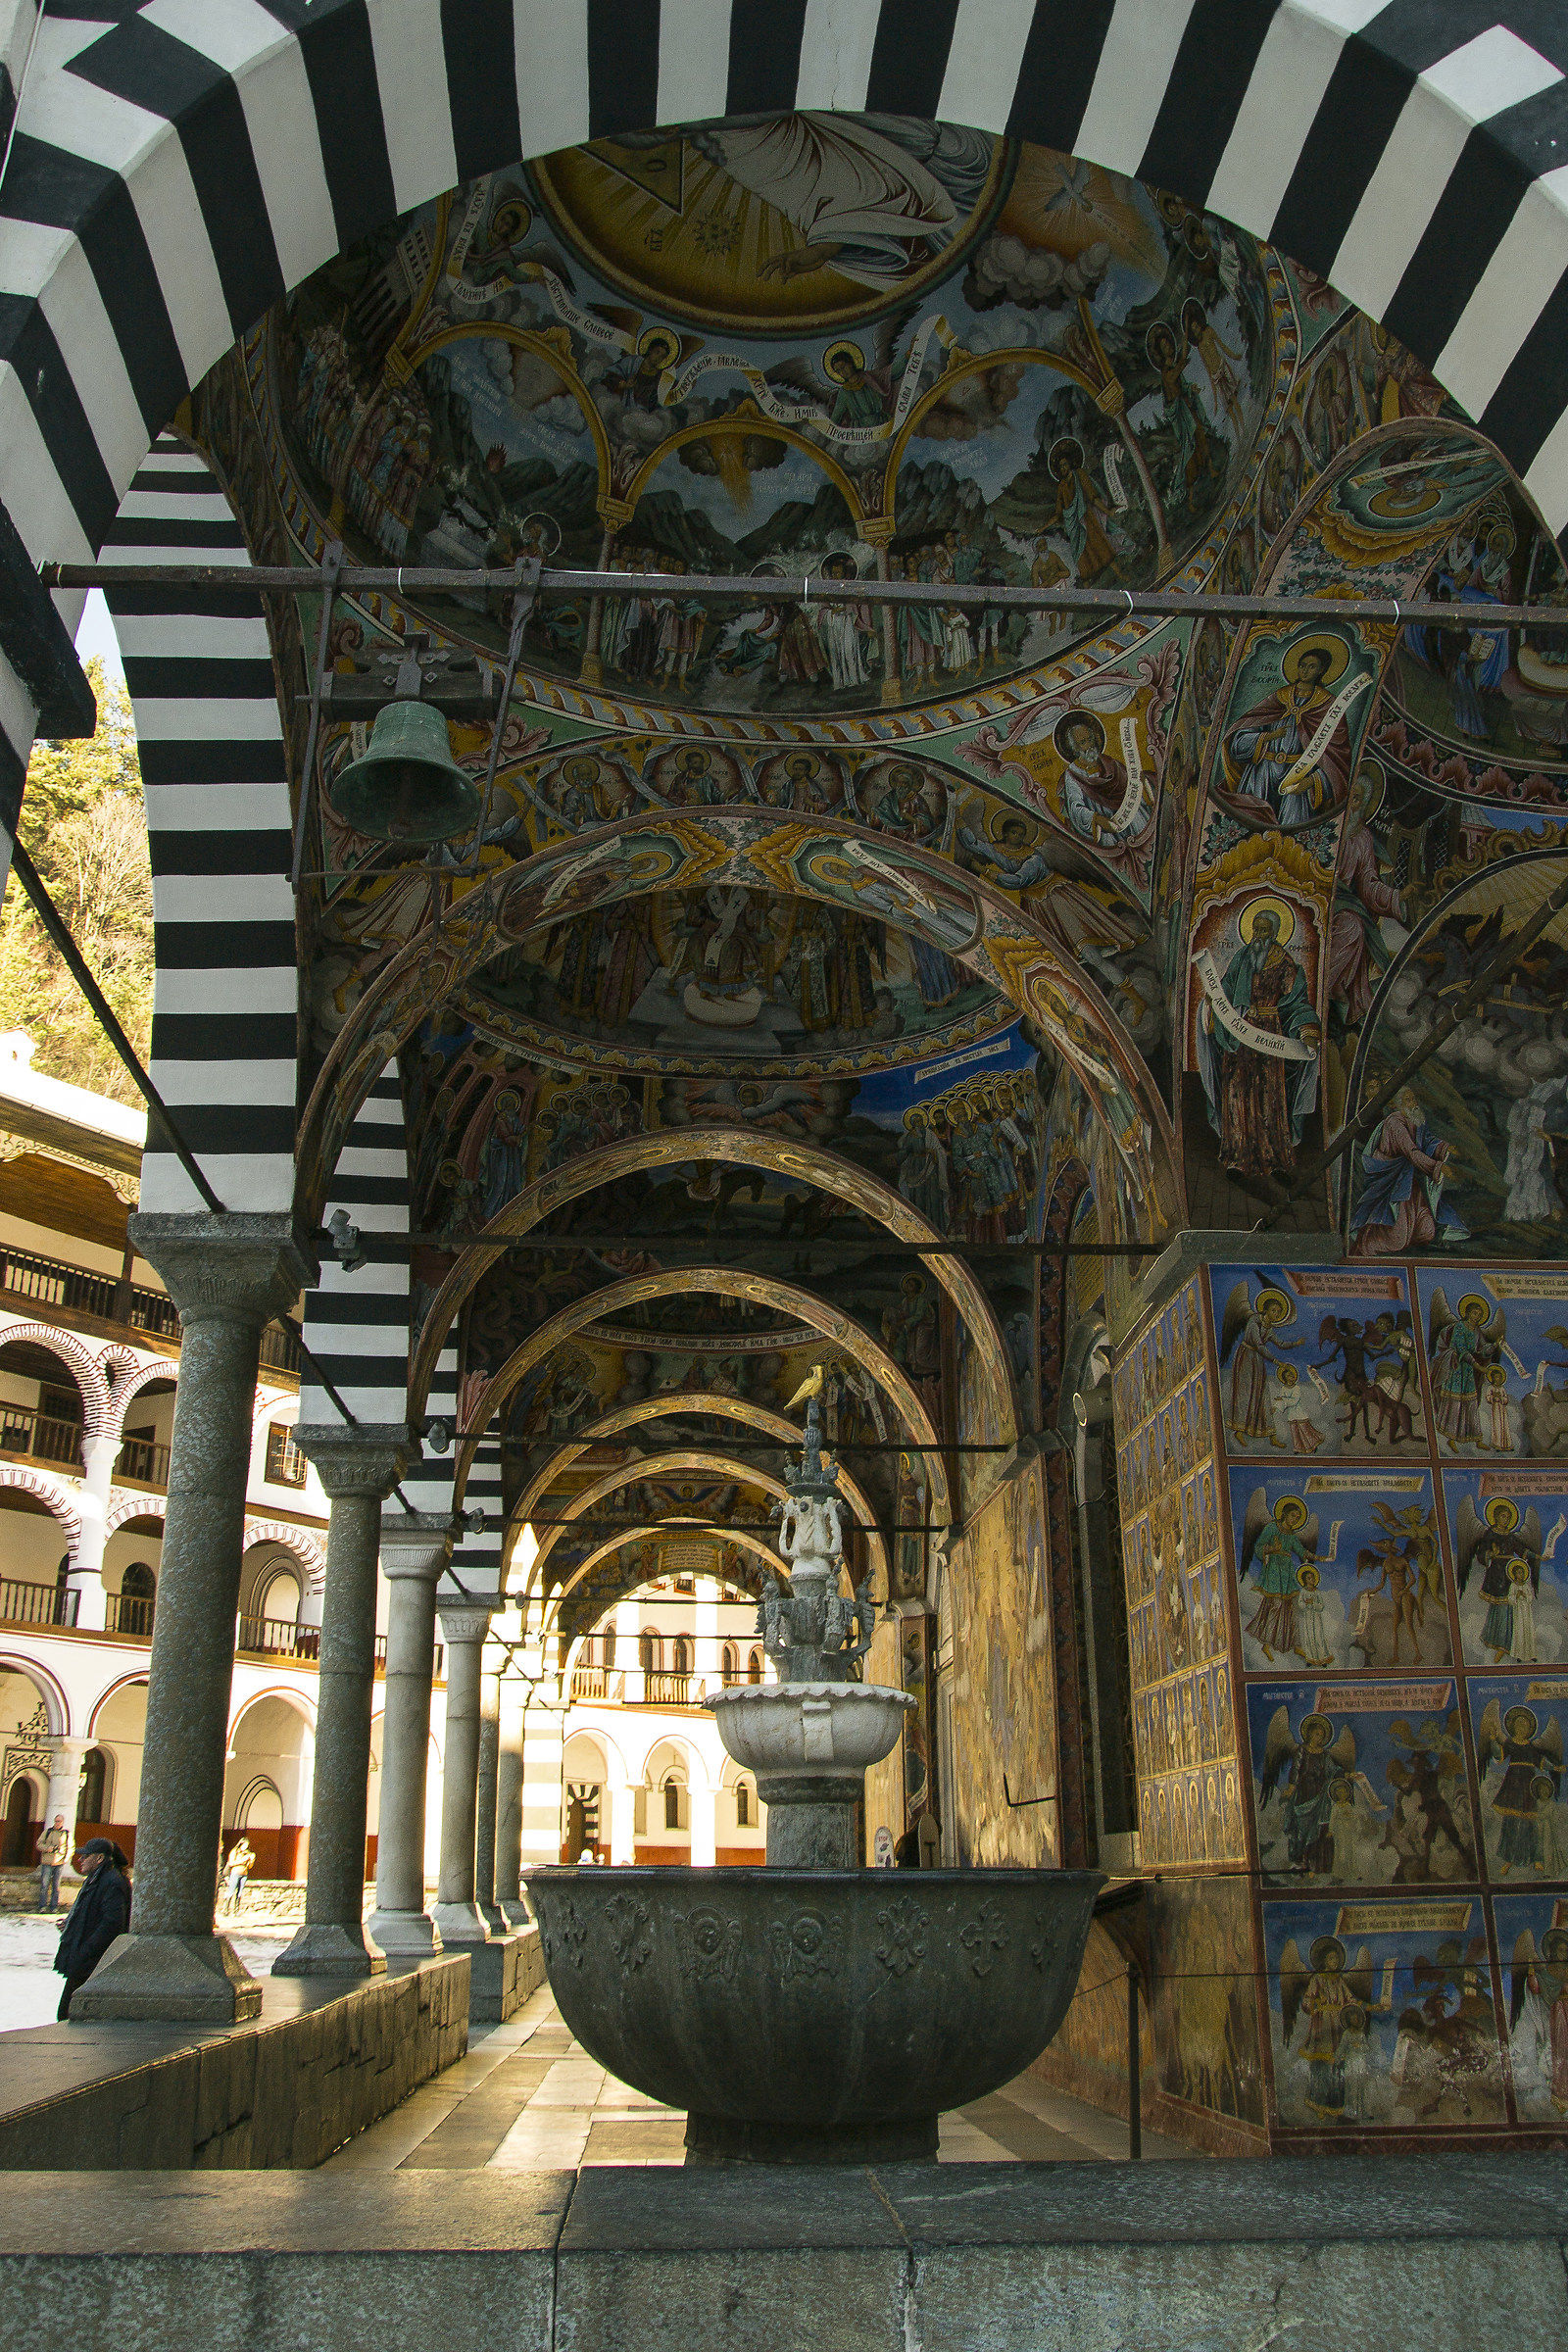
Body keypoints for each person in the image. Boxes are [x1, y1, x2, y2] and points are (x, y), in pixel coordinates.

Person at [53, 1837, 130, 2019]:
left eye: (85, 1856)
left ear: (100, 1859)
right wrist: (71, 1924)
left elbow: (112, 1923)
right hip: (85, 1957)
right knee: (67, 2012)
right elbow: (91, 1913)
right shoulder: (97, 1879)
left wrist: (87, 1949)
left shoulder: (112, 1882)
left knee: (67, 2013)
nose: (80, 1860)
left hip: (93, 1961)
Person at [35, 1813, 69, 1913]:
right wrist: (47, 1849)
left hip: (59, 1862)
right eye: (56, 1821)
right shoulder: (47, 1832)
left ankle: (54, 1907)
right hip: (47, 1861)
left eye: (59, 1821)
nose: (57, 1823)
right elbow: (39, 1844)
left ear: (62, 1822)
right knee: (44, 1885)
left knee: (56, 1886)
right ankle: (42, 1906)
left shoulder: (66, 1833)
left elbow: (70, 1847)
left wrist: (66, 1858)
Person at [221, 1835, 255, 1914]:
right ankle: (226, 1909)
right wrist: (242, 1861)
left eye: (247, 1845)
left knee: (240, 1892)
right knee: (231, 1890)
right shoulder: (235, 1851)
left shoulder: (248, 1853)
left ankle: (236, 1910)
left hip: (244, 1874)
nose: (245, 1847)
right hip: (235, 1873)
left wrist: (251, 1860)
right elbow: (231, 1863)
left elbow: (249, 1866)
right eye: (244, 1845)